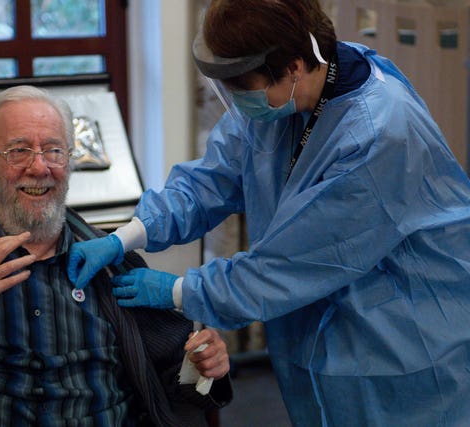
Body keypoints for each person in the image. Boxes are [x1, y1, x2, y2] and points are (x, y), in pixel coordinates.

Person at [67, 0, 470, 425]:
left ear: (294, 67)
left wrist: (179, 291)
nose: (239, 104)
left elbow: (288, 264)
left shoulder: (377, 133)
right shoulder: (280, 99)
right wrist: (126, 235)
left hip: (403, 343)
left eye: (244, 89)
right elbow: (210, 180)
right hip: (325, 330)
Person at [0, 85, 232, 426]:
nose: (39, 168)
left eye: (54, 150)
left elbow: (177, 379)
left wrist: (202, 364)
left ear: (69, 164)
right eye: (19, 150)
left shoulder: (110, 258)